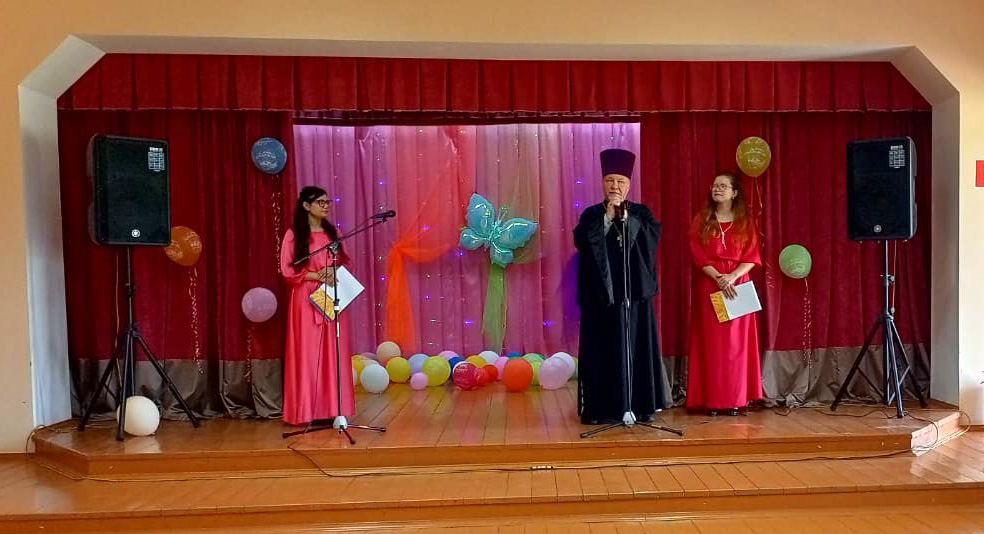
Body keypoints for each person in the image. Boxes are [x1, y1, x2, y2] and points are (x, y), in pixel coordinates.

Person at [573, 148, 672, 425]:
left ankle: (641, 406)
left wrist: (627, 220)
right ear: (602, 183)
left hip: (634, 297)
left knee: (637, 349)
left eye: (620, 181)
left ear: (629, 185)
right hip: (600, 300)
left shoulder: (641, 212)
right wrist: (607, 220)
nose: (614, 186)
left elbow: (651, 241)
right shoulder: (592, 214)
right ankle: (599, 409)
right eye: (609, 181)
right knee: (601, 352)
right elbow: (581, 241)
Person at [686, 172, 762, 416]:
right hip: (711, 285)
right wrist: (719, 277)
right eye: (714, 185)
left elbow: (752, 256)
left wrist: (732, 276)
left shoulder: (745, 221)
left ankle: (736, 399)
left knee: (737, 345)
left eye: (723, 186)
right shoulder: (701, 219)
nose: (717, 189)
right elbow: (698, 254)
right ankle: (712, 400)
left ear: (734, 193)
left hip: (737, 286)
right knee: (712, 346)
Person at [280, 186, 354, 425]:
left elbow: (346, 262)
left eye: (327, 202)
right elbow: (287, 270)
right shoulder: (294, 234)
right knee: (308, 353)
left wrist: (333, 271)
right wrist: (315, 275)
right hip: (305, 298)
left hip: (331, 295)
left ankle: (333, 409)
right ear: (306, 206)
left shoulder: (334, 233)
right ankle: (306, 411)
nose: (325, 206)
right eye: (320, 202)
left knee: (334, 352)